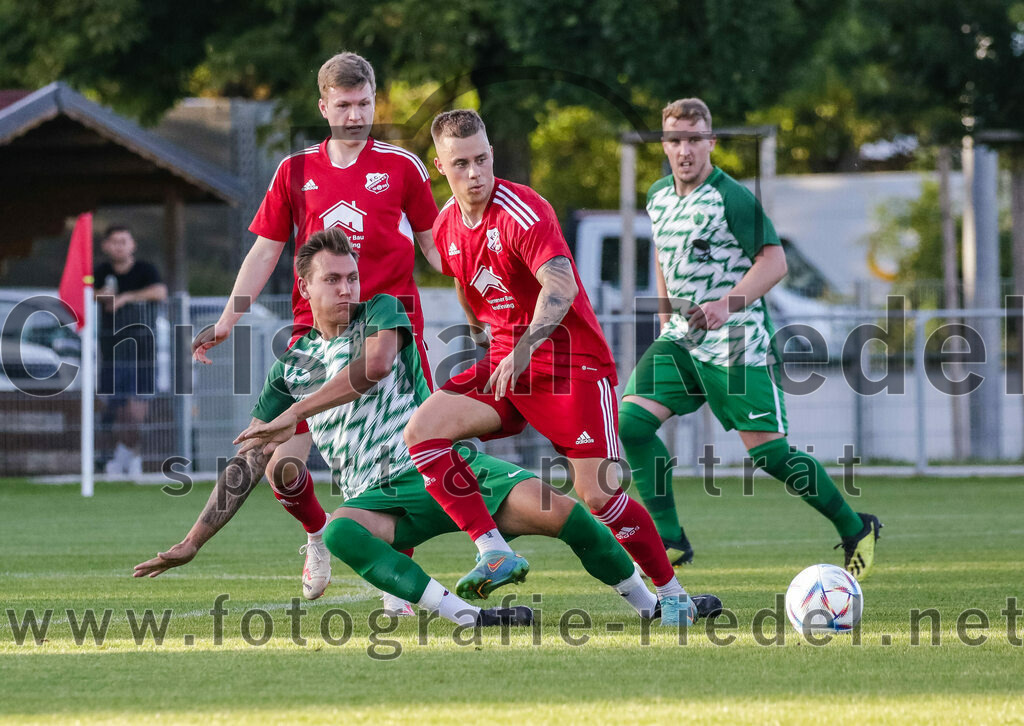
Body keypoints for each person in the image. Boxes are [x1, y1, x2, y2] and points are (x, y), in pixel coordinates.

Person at [133, 229, 722, 628]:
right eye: (331, 280)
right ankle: (471, 617)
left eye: (349, 277)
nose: (345, 289)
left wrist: (297, 412)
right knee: (341, 532)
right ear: (304, 285)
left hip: (449, 475)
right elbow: (249, 459)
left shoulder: (381, 311)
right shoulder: (290, 366)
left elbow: (375, 366)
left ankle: (655, 607)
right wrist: (193, 541)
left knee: (571, 517)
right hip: (383, 499)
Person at [398, 110, 697, 626]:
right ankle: (493, 549)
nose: (475, 173)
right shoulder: (446, 225)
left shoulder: (522, 209)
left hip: (570, 364)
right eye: (461, 163)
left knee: (599, 494)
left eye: (483, 159)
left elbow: (560, 286)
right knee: (423, 431)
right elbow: (468, 284)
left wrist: (524, 346)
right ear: (440, 167)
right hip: (505, 363)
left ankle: (672, 594)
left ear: (492, 153)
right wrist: (482, 341)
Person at [189, 52, 466, 602]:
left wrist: (480, 290)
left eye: (364, 103)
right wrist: (227, 319)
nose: (356, 114)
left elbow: (438, 245)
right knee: (280, 469)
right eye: (344, 104)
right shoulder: (295, 171)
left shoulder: (403, 166)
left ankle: (393, 576)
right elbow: (266, 251)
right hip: (313, 340)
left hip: (388, 335)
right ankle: (318, 532)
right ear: (324, 106)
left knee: (401, 460)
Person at [617, 97, 882, 579]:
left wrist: (726, 304)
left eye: (695, 139)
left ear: (711, 143)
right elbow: (663, 256)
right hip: (682, 340)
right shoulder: (657, 196)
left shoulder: (730, 197)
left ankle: (856, 526)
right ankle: (670, 540)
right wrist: (663, 317)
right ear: (664, 144)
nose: (685, 150)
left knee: (769, 454)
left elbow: (774, 261)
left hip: (737, 343)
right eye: (675, 140)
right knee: (630, 425)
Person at [94, 225, 168, 475]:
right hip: (112, 355)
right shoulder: (100, 272)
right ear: (106, 245)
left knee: (136, 413)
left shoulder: (146, 271)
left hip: (142, 354)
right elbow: (82, 294)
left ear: (132, 244)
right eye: (114, 241)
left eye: (123, 241)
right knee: (114, 410)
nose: (119, 246)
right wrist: (100, 296)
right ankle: (117, 458)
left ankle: (129, 456)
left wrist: (125, 298)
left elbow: (160, 292)